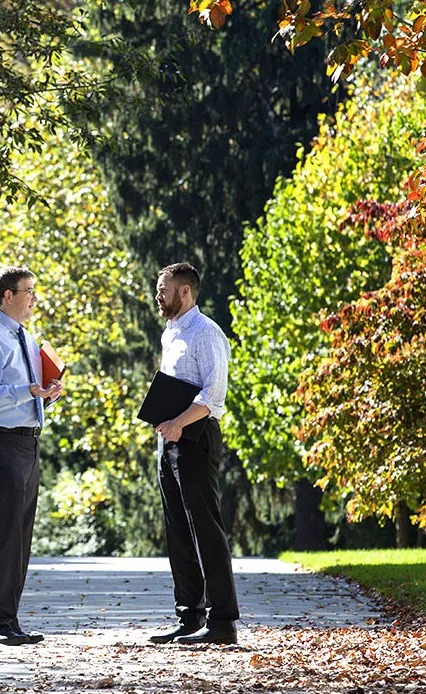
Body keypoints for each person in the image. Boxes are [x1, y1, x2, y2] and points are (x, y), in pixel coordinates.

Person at [0, 266, 63, 646]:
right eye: (28, 291)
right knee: (6, 532)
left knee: (21, 535)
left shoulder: (25, 337)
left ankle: (10, 620)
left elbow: (30, 393)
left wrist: (47, 394)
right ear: (8, 296)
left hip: (27, 441)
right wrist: (28, 390)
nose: (34, 297)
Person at [148, 262, 240, 646]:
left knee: (206, 529)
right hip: (168, 439)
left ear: (185, 291)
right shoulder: (172, 333)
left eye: (163, 287)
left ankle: (222, 624)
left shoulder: (206, 333)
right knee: (178, 531)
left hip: (196, 437)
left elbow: (212, 395)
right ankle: (189, 618)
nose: (158, 294)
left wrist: (179, 423)